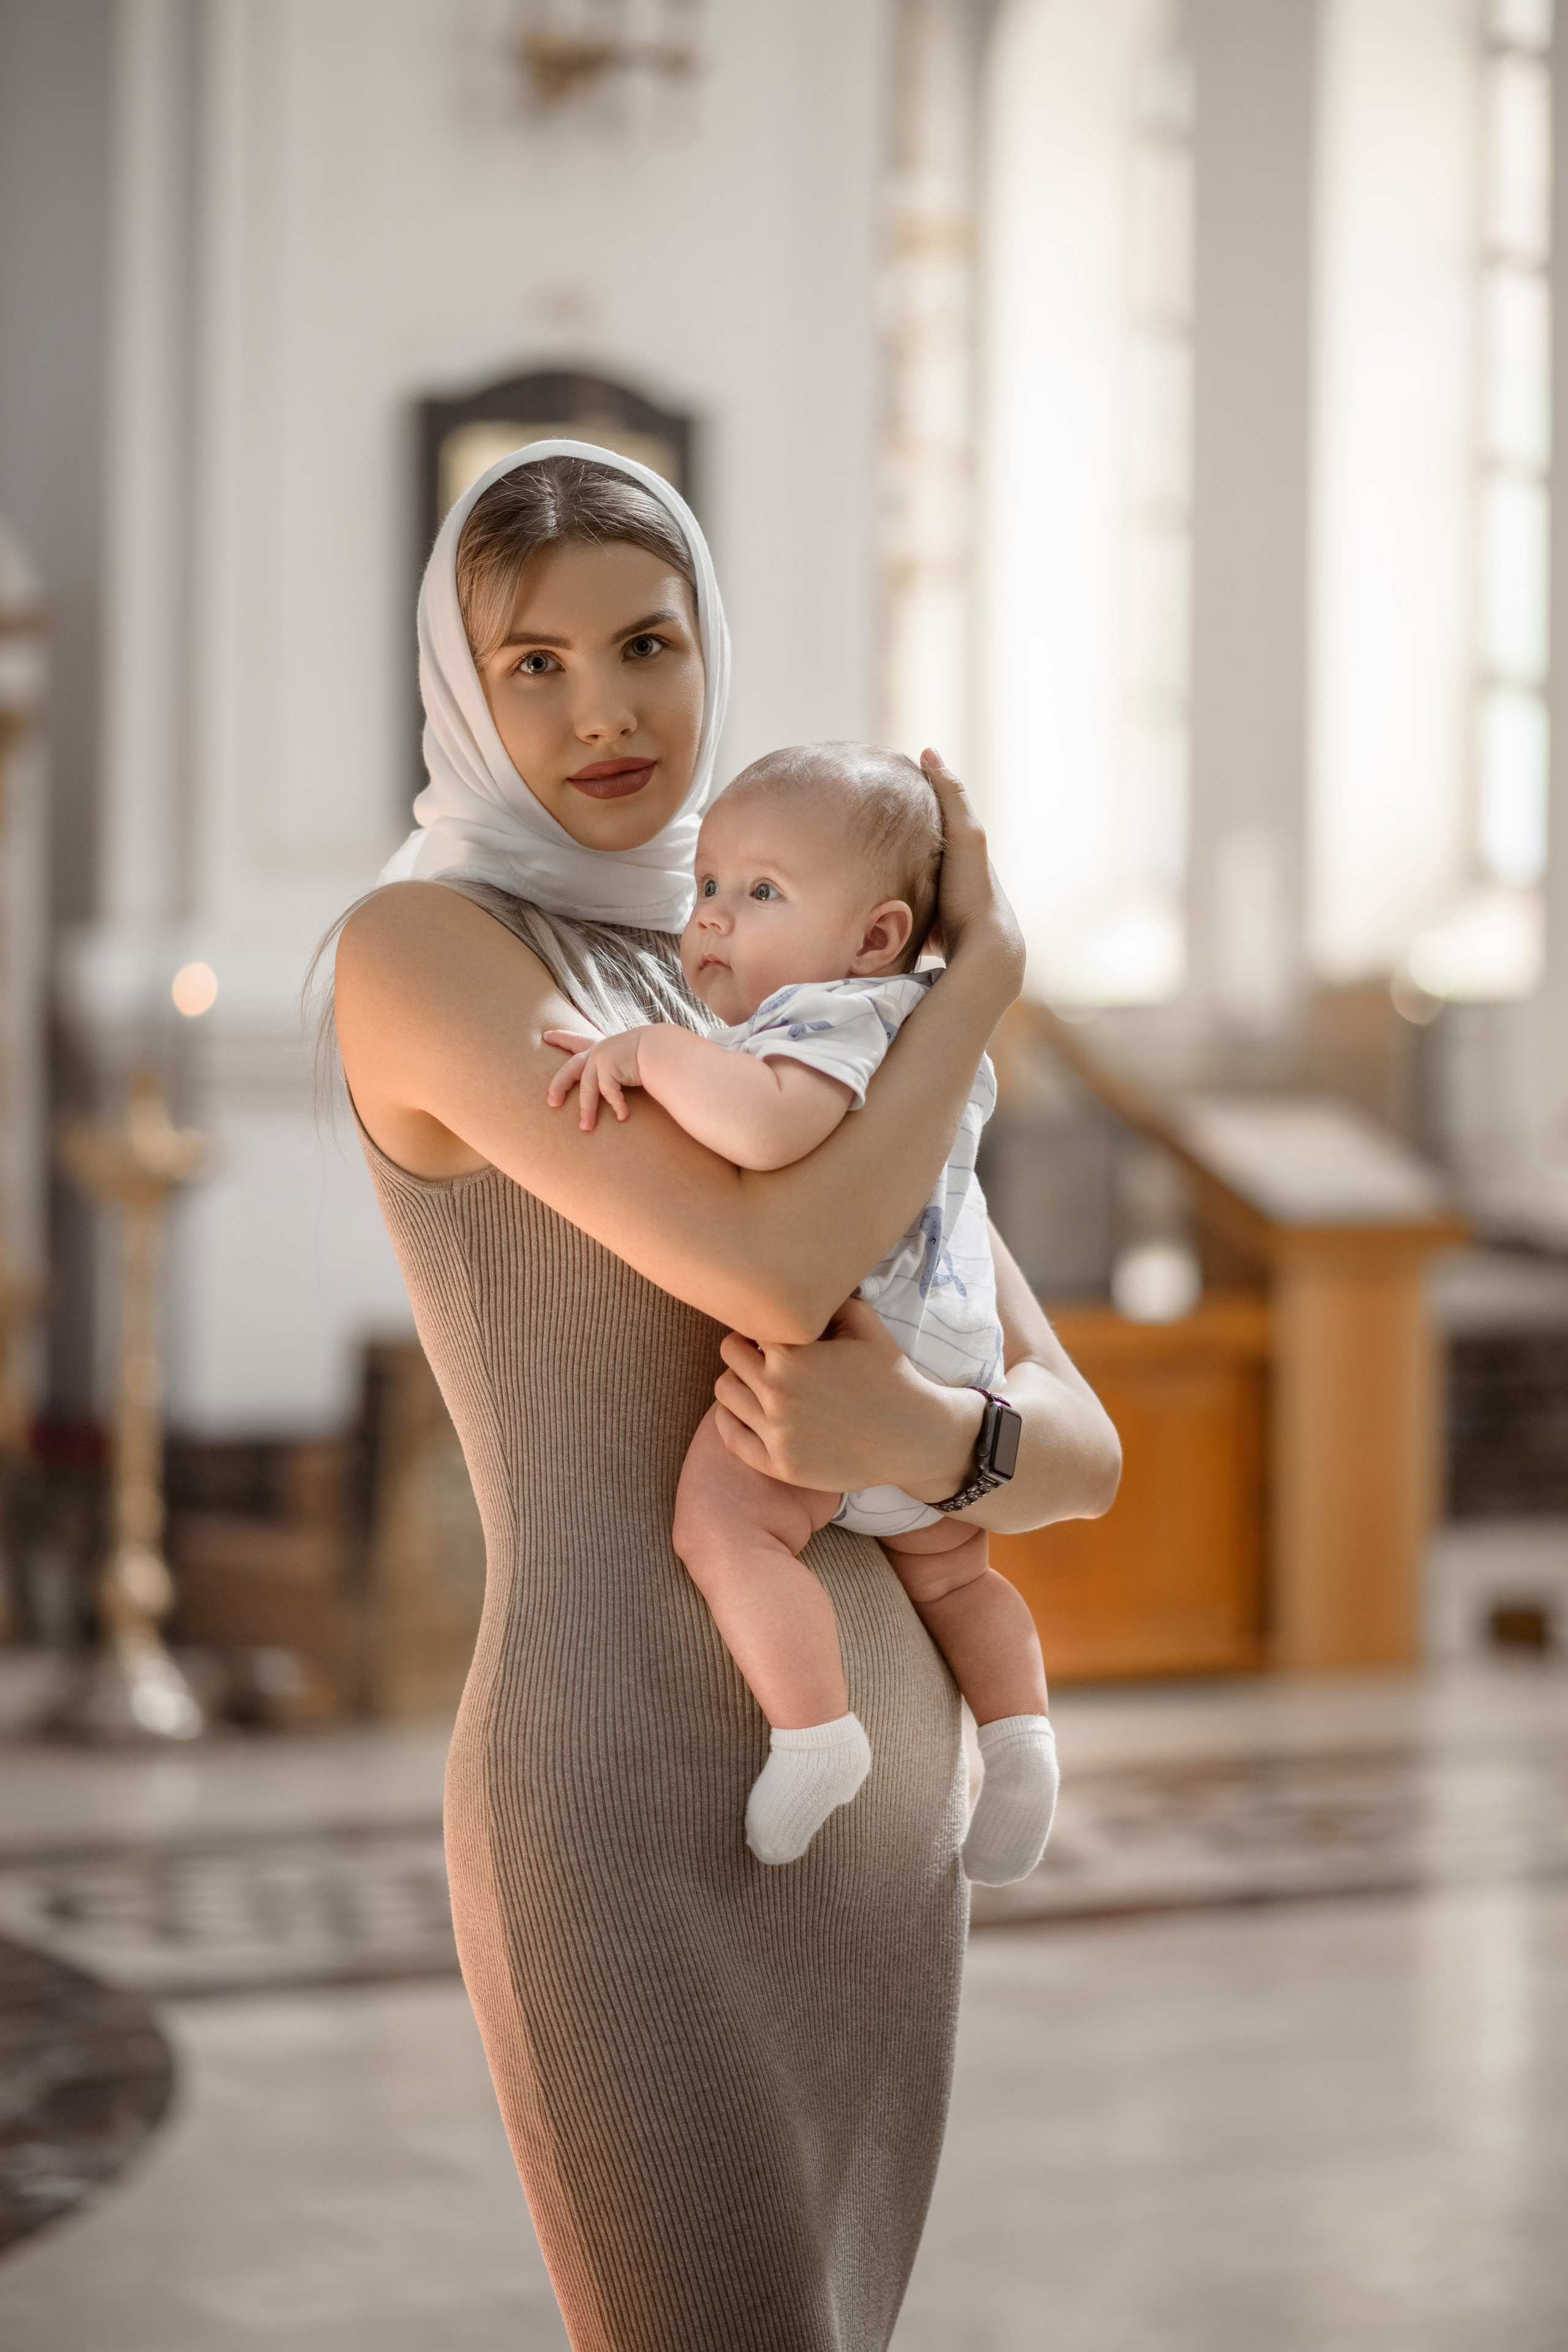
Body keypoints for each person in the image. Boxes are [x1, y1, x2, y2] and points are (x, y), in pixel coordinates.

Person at [331, 441, 1120, 2352]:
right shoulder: (430, 951)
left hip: (881, 1799)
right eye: (534, 662)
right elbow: (773, 1269)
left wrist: (929, 1446)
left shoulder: (768, 974)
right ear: (460, 679)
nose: (606, 709)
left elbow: (1077, 1453)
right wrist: (973, 989)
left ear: (711, 644)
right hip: (621, 1793)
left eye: (648, 642)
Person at [545, 741, 1058, 1883]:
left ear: (876, 937)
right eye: (709, 888)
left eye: (762, 893)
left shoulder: (838, 1017)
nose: (716, 920)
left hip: (853, 1352)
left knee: (727, 1529)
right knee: (958, 1577)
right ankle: (1020, 1737)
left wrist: (654, 1053)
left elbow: (770, 1129)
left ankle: (816, 1734)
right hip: (953, 1368)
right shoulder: (930, 1027)